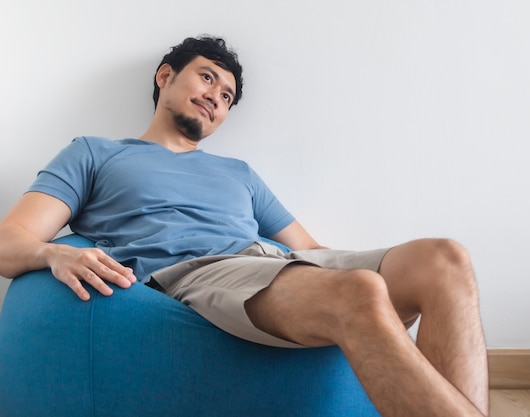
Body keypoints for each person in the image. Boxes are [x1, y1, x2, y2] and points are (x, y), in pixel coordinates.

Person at [0, 35, 489, 417]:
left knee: (445, 258)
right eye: (207, 79)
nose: (216, 97)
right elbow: (9, 242)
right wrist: (53, 253)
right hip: (197, 272)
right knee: (358, 292)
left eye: (227, 95)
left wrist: (383, 295)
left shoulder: (239, 173)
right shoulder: (95, 152)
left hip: (277, 264)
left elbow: (310, 248)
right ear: (165, 76)